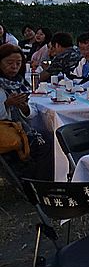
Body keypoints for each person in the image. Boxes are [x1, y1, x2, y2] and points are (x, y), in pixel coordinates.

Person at [0, 43, 53, 180]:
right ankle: (38, 184)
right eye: (9, 63)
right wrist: (6, 104)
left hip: (18, 127)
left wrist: (24, 107)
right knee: (45, 144)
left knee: (48, 138)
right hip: (5, 130)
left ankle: (34, 181)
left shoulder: (20, 82)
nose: (14, 67)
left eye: (18, 63)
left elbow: (31, 112)